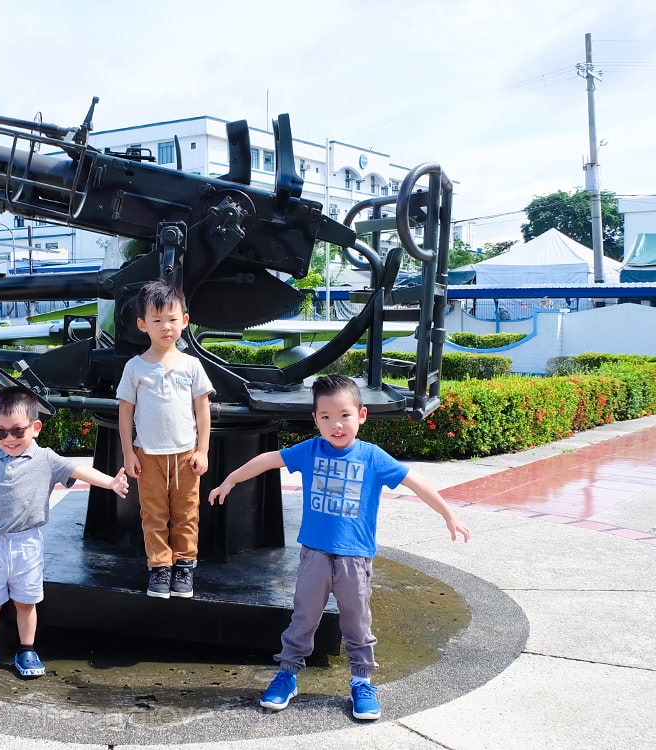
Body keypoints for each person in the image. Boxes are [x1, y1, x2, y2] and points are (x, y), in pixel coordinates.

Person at [207, 374, 470, 720]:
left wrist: (448, 513)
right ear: (315, 420)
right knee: (303, 618)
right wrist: (230, 478)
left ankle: (362, 681)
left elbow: (413, 480)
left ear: (361, 416)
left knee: (358, 622)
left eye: (344, 415)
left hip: (354, 558)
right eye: (326, 417)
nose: (336, 425)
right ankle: (287, 675)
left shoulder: (372, 457)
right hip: (314, 554)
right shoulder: (310, 450)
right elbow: (269, 459)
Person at [0, 386, 129, 680]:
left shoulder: (45, 459)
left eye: (17, 431)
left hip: (27, 543)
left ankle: (27, 649)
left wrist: (110, 482)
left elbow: (77, 470)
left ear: (35, 428)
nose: (9, 439)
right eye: (0, 432)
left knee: (26, 601)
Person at [117, 279, 215, 599]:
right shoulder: (134, 368)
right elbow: (125, 413)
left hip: (186, 455)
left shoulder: (192, 366)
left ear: (185, 321)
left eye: (173, 319)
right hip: (148, 455)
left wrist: (203, 450)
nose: (166, 327)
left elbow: (203, 411)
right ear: (142, 324)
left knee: (187, 512)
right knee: (153, 512)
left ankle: (184, 565)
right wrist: (129, 453)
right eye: (157, 321)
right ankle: (159, 566)